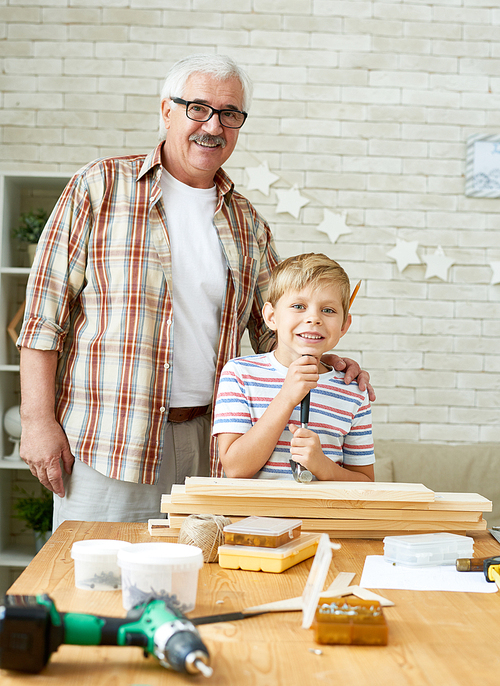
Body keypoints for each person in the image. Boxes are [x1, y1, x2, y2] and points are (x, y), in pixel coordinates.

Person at [18, 54, 373, 526]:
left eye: (230, 114)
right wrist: (36, 421)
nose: (214, 125)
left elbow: (277, 325)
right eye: (198, 108)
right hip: (108, 438)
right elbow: (43, 317)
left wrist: (325, 361)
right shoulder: (100, 186)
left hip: (210, 442)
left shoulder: (246, 222)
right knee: (96, 588)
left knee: (197, 588)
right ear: (167, 110)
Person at [213, 253, 375, 481]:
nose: (313, 318)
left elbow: (366, 482)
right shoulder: (239, 374)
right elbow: (236, 469)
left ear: (344, 325)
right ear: (271, 316)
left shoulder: (353, 389)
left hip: (325, 516)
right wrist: (286, 397)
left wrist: (323, 466)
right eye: (298, 306)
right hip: (256, 516)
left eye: (328, 310)